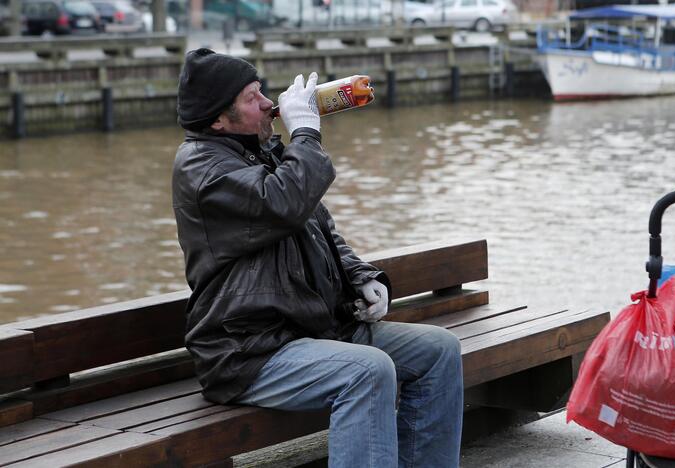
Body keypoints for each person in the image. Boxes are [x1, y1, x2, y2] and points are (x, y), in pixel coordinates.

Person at [171, 48, 464, 468]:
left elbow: (319, 227)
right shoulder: (201, 168)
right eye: (252, 98)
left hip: (311, 329)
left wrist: (362, 277)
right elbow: (284, 203)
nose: (269, 104)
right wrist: (305, 133)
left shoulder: (262, 150)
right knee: (368, 371)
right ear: (219, 118)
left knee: (439, 350)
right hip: (249, 349)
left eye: (262, 92)